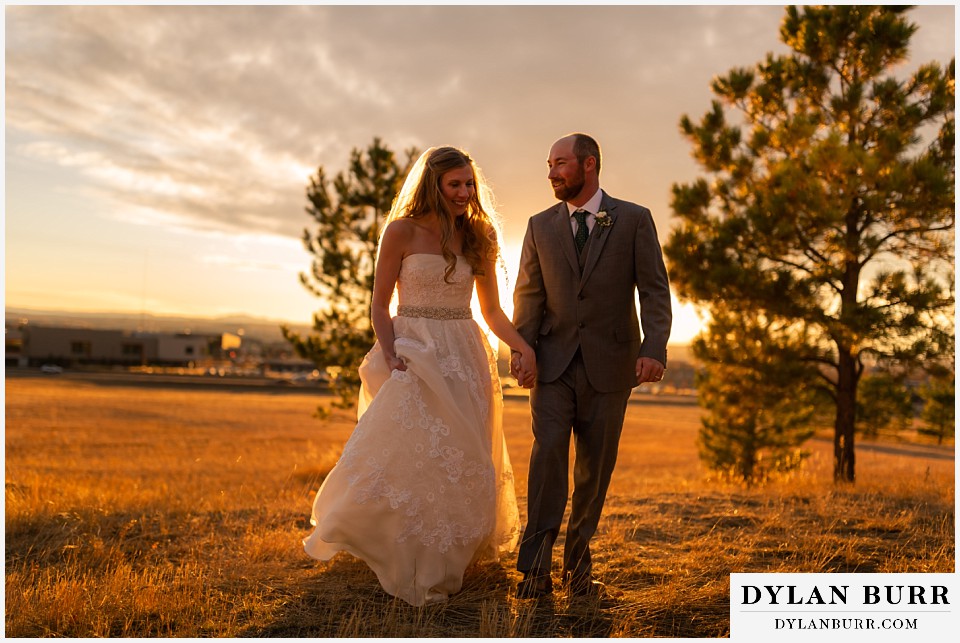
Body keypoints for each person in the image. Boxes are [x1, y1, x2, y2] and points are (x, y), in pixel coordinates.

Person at [303, 146, 533, 606]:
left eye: (470, 184)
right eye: (455, 185)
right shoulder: (401, 232)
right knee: (407, 451)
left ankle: (451, 548)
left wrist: (522, 344)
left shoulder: (479, 234)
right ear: (434, 185)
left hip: (465, 355)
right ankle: (402, 548)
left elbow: (490, 310)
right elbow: (379, 303)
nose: (465, 193)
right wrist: (390, 353)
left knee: (464, 456)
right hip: (412, 350)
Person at [510, 133, 672, 599]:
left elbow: (654, 290)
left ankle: (578, 567)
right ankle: (535, 569)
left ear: (589, 164)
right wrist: (522, 352)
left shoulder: (635, 219)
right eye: (549, 164)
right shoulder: (540, 225)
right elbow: (528, 297)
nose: (551, 173)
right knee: (547, 461)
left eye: (560, 163)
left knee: (593, 472)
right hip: (552, 366)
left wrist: (654, 347)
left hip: (612, 365)